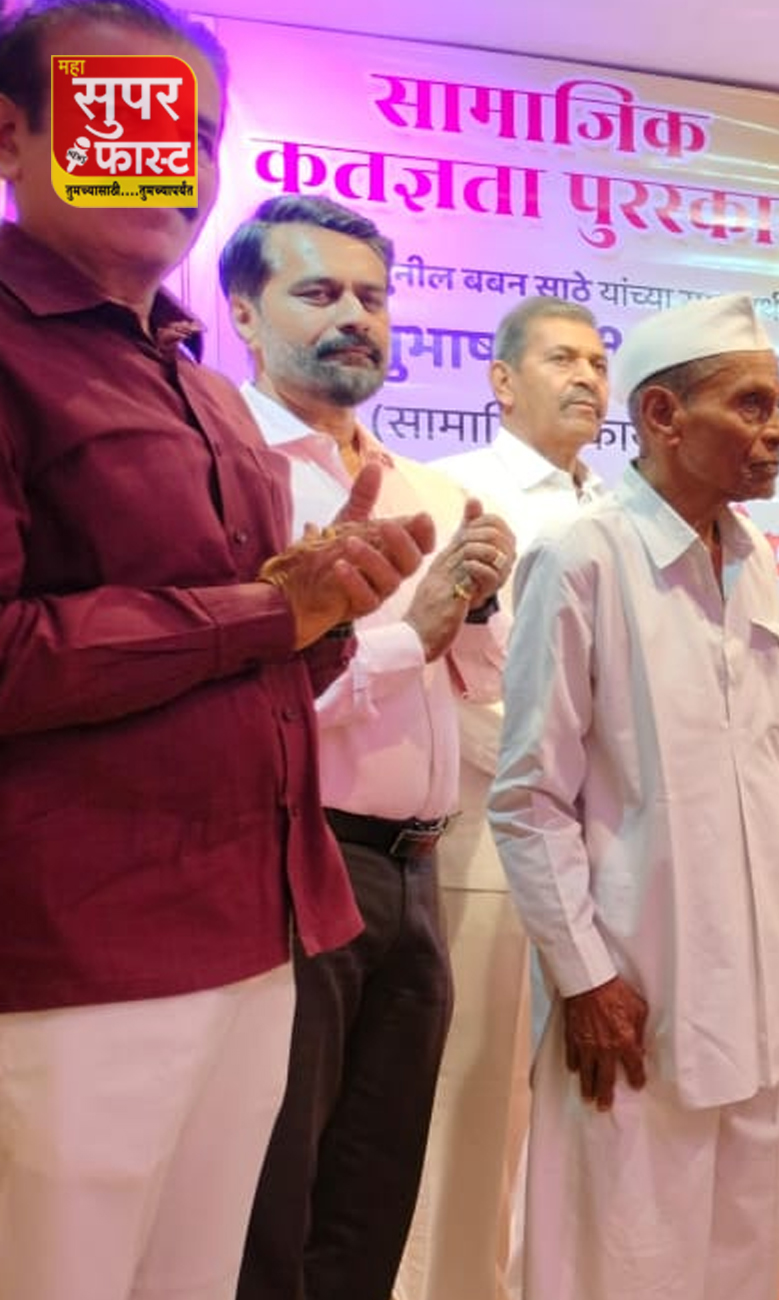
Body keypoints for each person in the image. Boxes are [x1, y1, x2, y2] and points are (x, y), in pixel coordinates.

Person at [0, 5, 424, 1298]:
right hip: (80, 947)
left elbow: (252, 668)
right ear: (12, 136)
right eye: (121, 120)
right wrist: (262, 615)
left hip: (264, 932)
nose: (164, 159)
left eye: (191, 132)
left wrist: (327, 613)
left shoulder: (204, 390)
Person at [489, 292, 779, 1300]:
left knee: (743, 1255)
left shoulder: (753, 559)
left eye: (778, 406)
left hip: (757, 990)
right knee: (621, 1256)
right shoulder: (580, 558)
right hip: (635, 987)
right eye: (753, 406)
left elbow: (765, 753)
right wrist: (584, 977)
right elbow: (528, 798)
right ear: (661, 415)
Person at [223, 194, 514, 1300]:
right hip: (293, 862)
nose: (355, 317)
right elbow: (252, 701)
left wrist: (479, 604)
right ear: (244, 316)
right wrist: (412, 632)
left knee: (375, 1194)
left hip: (417, 865)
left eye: (373, 297)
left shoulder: (425, 487)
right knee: (273, 1197)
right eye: (319, 292)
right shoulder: (235, 473)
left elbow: (478, 682)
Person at [400, 294, 609, 1300]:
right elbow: (444, 679)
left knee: (582, 1112)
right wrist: (551, 778)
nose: (587, 379)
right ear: (501, 380)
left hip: (603, 850)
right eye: (563, 359)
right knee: (470, 1100)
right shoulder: (454, 494)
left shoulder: (621, 508)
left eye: (598, 363)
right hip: (483, 835)